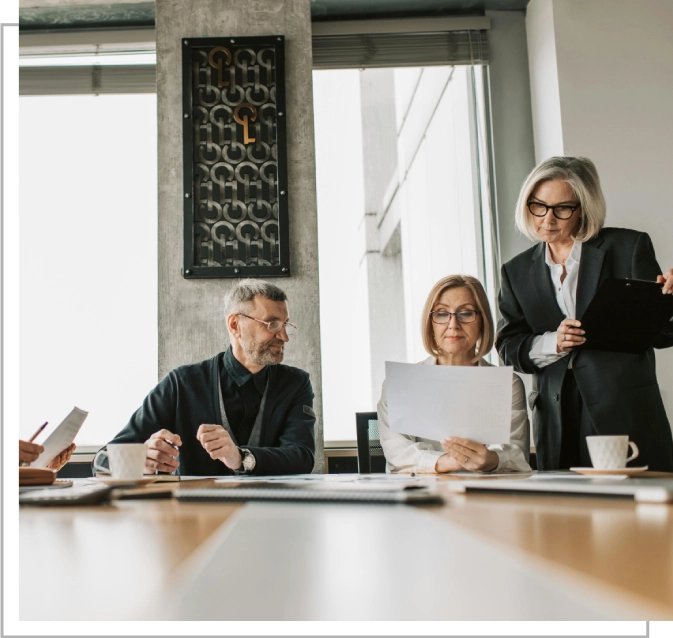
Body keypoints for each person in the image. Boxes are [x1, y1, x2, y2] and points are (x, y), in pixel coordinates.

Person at [496, 156, 673, 471]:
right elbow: (508, 347)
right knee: (567, 513)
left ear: (585, 207)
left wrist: (669, 301)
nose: (548, 219)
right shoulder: (516, 272)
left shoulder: (629, 247)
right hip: (557, 417)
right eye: (539, 206)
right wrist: (554, 343)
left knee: (640, 514)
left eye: (562, 209)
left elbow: (661, 334)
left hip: (624, 410)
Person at [97, 279, 316, 476]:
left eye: (285, 324)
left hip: (274, 516)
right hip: (195, 518)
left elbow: (302, 457)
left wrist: (241, 458)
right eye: (272, 324)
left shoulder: (296, 384)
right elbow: (102, 460)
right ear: (235, 325)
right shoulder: (181, 384)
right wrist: (140, 460)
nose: (284, 336)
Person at [378, 275, 531, 474]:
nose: (453, 324)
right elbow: (397, 452)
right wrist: (446, 462)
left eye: (466, 313)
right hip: (421, 495)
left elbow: (516, 453)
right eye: (442, 314)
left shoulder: (508, 384)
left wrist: (491, 459)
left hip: (487, 496)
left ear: (483, 322)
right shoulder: (399, 384)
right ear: (430, 324)